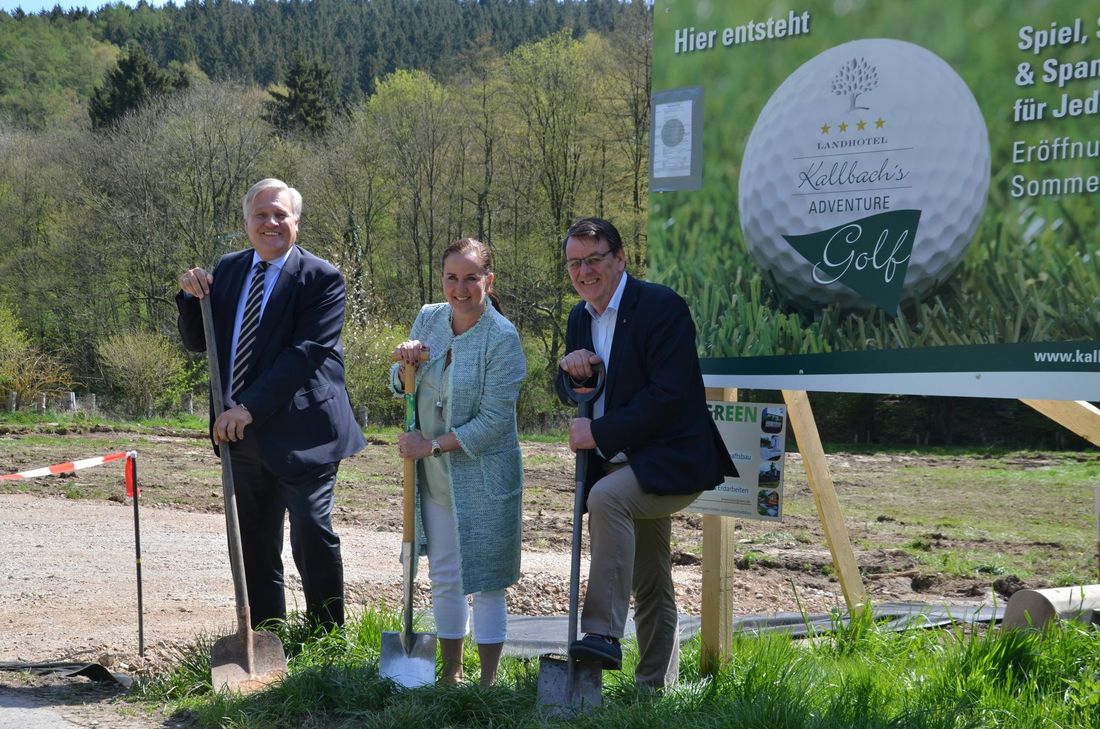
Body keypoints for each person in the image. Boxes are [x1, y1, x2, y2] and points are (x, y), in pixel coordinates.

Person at [555, 217, 737, 689]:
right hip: (622, 462)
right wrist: (570, 369)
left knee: (608, 500)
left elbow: (669, 395)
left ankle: (602, 633)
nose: (584, 271)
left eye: (594, 259)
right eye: (575, 263)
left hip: (672, 461)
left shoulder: (661, 307)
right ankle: (655, 687)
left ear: (620, 259)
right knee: (651, 579)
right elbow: (577, 387)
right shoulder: (580, 317)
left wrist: (598, 432)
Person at [176, 178, 365, 631]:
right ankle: (266, 642)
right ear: (246, 223)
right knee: (257, 547)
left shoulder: (322, 278)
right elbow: (198, 342)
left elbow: (303, 355)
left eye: (281, 214)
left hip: (306, 435)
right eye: (261, 215)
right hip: (240, 437)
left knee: (311, 537)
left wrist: (248, 407)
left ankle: (326, 639)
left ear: (296, 221)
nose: (271, 223)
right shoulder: (229, 270)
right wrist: (189, 296)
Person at [390, 238, 527, 687]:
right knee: (445, 574)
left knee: (486, 579)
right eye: (452, 277)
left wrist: (430, 445)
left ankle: (487, 682)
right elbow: (401, 383)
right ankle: (451, 673)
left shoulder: (502, 338)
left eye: (471, 278)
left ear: (488, 281)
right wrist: (403, 360)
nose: (461, 287)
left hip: (482, 478)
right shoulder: (430, 318)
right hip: (432, 478)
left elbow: (492, 422)